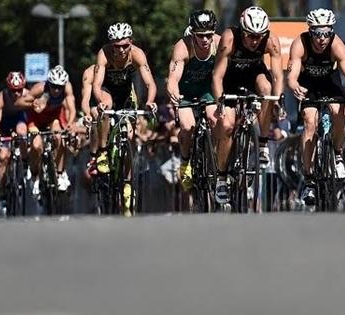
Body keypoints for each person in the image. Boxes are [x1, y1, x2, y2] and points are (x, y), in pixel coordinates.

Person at [286, 8, 345, 205]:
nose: (322, 39)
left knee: (338, 111)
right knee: (310, 121)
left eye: (326, 33)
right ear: (311, 32)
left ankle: (337, 155)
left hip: (330, 82)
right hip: (307, 84)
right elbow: (291, 76)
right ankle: (309, 179)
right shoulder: (300, 44)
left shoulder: (336, 44)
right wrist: (295, 86)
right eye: (317, 34)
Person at [212, 5, 283, 203]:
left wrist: (278, 100)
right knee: (227, 126)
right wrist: (220, 103)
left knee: (267, 91)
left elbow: (277, 76)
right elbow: (217, 76)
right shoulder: (229, 39)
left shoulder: (271, 41)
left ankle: (262, 144)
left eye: (259, 36)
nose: (255, 41)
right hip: (229, 79)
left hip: (254, 74)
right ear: (242, 31)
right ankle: (221, 178)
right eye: (250, 35)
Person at [92, 22, 158, 214]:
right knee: (108, 106)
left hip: (127, 95)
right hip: (107, 91)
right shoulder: (104, 54)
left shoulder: (137, 54)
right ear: (111, 45)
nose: (121, 50)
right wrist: (100, 102)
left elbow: (150, 84)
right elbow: (96, 84)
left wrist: (151, 101)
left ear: (131, 43)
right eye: (117, 46)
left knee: (128, 136)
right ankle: (103, 152)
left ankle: (127, 183)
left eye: (125, 46)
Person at [166, 9, 221, 192]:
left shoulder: (220, 44)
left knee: (215, 120)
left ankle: (214, 158)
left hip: (208, 91)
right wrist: (174, 95)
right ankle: (185, 161)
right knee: (188, 127)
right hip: (185, 92)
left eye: (208, 35)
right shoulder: (183, 46)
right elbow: (173, 78)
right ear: (192, 33)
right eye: (200, 36)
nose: (205, 40)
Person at [18, 65, 76, 194]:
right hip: (35, 120)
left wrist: (70, 123)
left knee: (59, 138)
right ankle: (35, 175)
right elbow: (19, 103)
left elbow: (72, 108)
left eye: (59, 87)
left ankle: (60, 173)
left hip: (52, 118)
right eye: (54, 86)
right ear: (49, 83)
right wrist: (32, 104)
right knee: (37, 145)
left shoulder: (67, 88)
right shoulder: (39, 88)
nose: (56, 90)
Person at [0, 71, 30, 196]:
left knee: (22, 133)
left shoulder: (27, 95)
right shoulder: (1, 97)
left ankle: (25, 163)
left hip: (19, 120)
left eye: (19, 90)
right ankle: (1, 189)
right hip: (5, 123)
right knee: (3, 157)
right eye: (13, 91)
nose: (17, 94)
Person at [81, 64, 99, 175]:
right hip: (96, 106)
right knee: (96, 114)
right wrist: (87, 114)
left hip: (114, 104)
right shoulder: (89, 73)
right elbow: (86, 99)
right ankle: (94, 156)